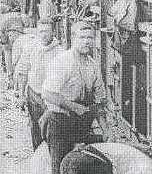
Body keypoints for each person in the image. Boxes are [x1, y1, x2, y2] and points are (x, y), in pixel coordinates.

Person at [41, 21, 112, 174]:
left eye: (90, 38)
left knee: (84, 166)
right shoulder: (62, 62)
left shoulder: (92, 66)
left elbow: (98, 102)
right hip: (60, 124)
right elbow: (47, 93)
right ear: (73, 38)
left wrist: (105, 130)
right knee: (61, 167)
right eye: (82, 37)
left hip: (81, 125)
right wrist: (73, 106)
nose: (87, 41)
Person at [15, 19, 64, 150]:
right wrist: (21, 96)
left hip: (51, 99)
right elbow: (23, 71)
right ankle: (37, 156)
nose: (43, 35)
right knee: (35, 128)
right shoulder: (31, 48)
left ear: (53, 32)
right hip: (33, 94)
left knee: (51, 131)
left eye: (47, 31)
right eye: (41, 31)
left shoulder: (60, 52)